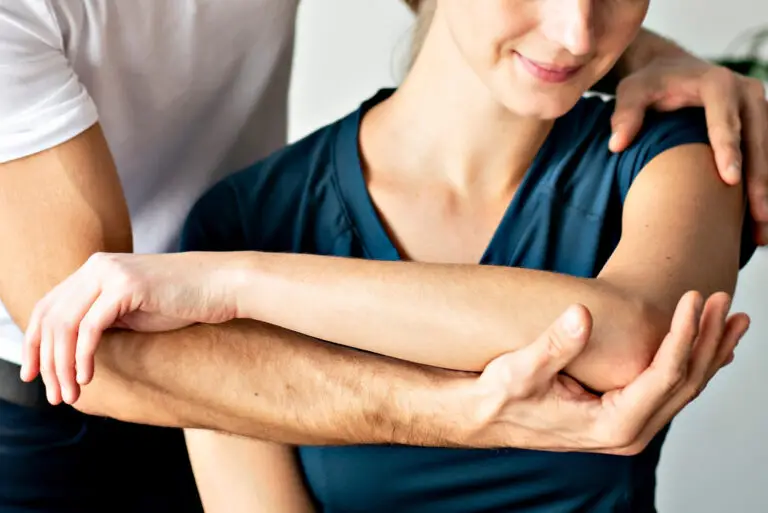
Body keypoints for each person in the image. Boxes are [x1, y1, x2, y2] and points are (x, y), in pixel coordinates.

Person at [0, 0, 765, 512]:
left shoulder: (677, 147)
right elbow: (72, 329)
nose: (575, 30)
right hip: (57, 385)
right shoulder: (250, 219)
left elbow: (631, 336)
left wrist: (229, 279)